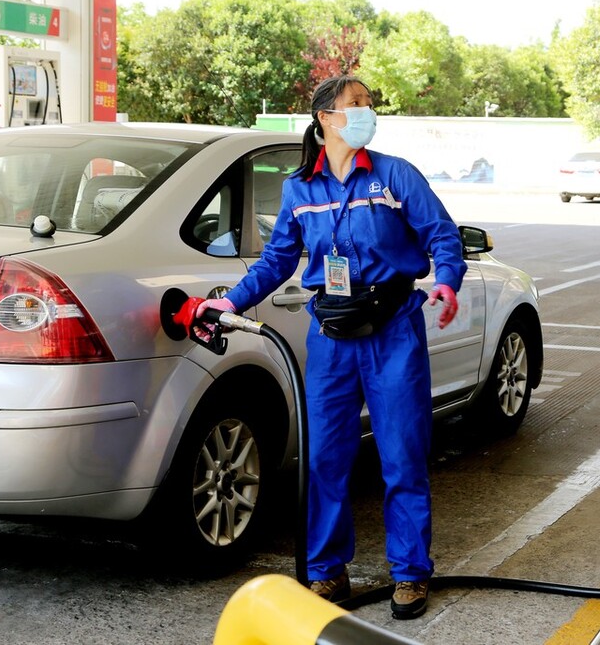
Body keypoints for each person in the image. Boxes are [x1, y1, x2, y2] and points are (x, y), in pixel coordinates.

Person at [197, 75, 465, 620]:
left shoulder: (395, 175)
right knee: (325, 459)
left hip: (393, 328)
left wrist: (447, 280)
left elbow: (442, 233)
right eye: (355, 104)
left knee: (402, 455)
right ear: (325, 118)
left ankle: (410, 574)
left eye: (369, 103)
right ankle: (326, 574)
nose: (367, 111)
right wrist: (232, 304)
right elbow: (276, 260)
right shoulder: (300, 189)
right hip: (332, 335)